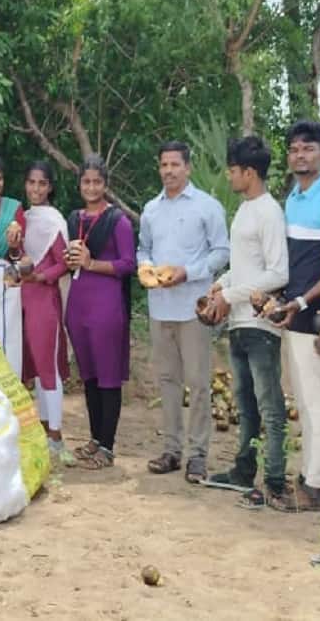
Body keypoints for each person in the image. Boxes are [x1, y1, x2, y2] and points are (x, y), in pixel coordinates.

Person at [269, 120, 320, 512]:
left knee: (318, 401)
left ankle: (315, 487)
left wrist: (302, 303)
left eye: (308, 148)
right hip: (292, 311)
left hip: (315, 314)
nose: (300, 155)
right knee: (302, 399)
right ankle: (307, 478)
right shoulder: (294, 199)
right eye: (294, 149)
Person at [137, 141, 230, 483]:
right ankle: (172, 450)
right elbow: (143, 248)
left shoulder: (207, 207)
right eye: (164, 165)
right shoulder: (151, 210)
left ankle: (198, 455)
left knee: (198, 382)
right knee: (167, 380)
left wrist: (187, 272)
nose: (169, 171)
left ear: (188, 168)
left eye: (175, 164)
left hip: (193, 307)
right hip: (160, 307)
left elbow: (221, 252)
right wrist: (146, 268)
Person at [206, 136, 290, 506]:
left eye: (234, 171)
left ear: (250, 173)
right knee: (246, 403)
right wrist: (220, 284)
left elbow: (277, 273)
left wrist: (230, 295)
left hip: (260, 324)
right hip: (239, 322)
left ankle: (274, 479)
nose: (230, 176)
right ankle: (243, 470)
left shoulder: (269, 212)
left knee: (269, 404)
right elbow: (246, 267)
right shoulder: (244, 210)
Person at [64, 155, 136, 470]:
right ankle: (95, 438)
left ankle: (107, 447)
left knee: (107, 376)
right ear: (80, 185)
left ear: (105, 185)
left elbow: (128, 264)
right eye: (86, 182)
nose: (91, 187)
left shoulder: (117, 221)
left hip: (106, 304)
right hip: (78, 304)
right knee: (89, 375)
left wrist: (92, 264)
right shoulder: (73, 218)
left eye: (97, 182)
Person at [19, 161, 72, 464]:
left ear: (50, 187)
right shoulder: (23, 219)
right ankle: (41, 428)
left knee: (48, 367)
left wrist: (42, 277)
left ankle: (56, 435)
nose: (36, 189)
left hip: (44, 300)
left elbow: (64, 261)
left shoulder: (54, 221)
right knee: (34, 369)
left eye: (42, 183)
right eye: (31, 182)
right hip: (22, 301)